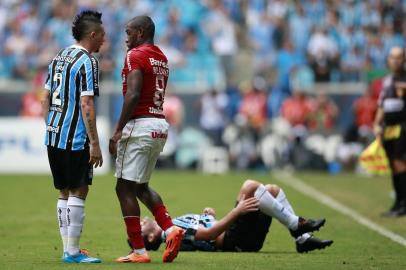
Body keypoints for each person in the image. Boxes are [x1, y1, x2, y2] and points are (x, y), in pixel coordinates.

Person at [108, 16, 184, 263]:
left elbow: (133, 93)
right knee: (140, 186)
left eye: (128, 32)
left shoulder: (135, 55)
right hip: (159, 125)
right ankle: (171, 229)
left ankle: (139, 251)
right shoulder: (161, 56)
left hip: (139, 125)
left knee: (123, 187)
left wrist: (118, 130)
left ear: (140, 32)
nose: (126, 37)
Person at [40, 10, 105, 263]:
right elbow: (86, 103)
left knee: (63, 192)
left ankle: (68, 248)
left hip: (54, 134)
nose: (104, 41)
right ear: (92, 34)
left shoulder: (58, 57)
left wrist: (52, 125)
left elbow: (45, 98)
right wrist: (95, 143)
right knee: (79, 190)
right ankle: (73, 252)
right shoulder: (88, 62)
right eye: (102, 36)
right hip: (75, 138)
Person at [138, 179, 333, 253]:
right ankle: (296, 226)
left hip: (235, 234)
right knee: (250, 187)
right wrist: (237, 211)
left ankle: (302, 238)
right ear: (151, 237)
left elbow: (204, 229)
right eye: (140, 227)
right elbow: (209, 236)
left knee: (271, 190)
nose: (141, 220)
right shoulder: (171, 236)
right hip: (235, 242)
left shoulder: (170, 226)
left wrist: (207, 216)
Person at [374, 46, 406, 217]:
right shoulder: (387, 81)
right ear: (388, 60)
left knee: (400, 162)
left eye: (399, 57)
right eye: (392, 57)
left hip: (403, 126)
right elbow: (382, 104)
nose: (395, 60)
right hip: (389, 127)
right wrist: (376, 124)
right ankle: (398, 203)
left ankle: (403, 204)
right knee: (393, 164)